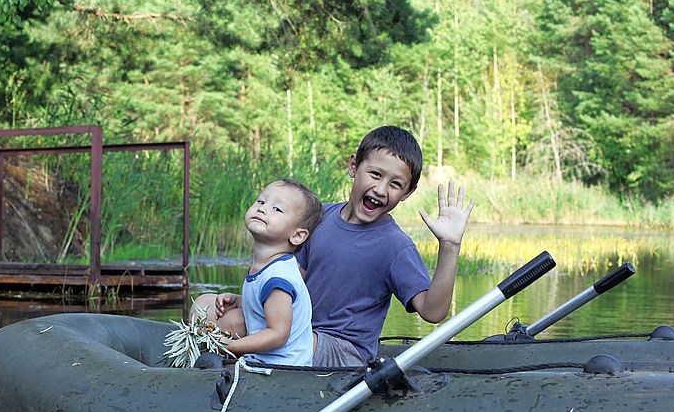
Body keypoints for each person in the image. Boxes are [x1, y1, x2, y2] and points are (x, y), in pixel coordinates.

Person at [296, 125, 475, 366]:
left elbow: (432, 312)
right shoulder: (319, 217)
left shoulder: (395, 246)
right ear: (353, 166)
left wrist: (450, 245)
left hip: (346, 352)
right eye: (375, 174)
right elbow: (292, 283)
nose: (381, 190)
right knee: (235, 320)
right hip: (300, 334)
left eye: (395, 184)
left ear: (408, 193)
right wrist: (250, 302)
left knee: (288, 339)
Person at [194, 178, 323, 366]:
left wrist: (230, 345)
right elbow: (264, 305)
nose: (262, 208)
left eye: (277, 209)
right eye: (261, 202)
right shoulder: (267, 265)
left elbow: (278, 335)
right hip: (264, 361)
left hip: (283, 369)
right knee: (203, 302)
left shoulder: (278, 277)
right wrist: (238, 300)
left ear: (297, 235)